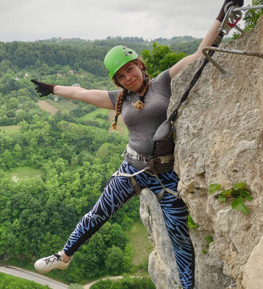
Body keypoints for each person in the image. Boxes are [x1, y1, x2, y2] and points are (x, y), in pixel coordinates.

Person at [30, 1, 243, 288]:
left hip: (167, 175)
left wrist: (221, 16)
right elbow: (81, 93)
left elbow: (199, 55)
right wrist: (53, 88)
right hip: (132, 168)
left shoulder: (164, 82)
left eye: (129, 70)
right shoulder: (120, 99)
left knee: (178, 236)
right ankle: (64, 255)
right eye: (120, 76)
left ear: (140, 65)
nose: (127, 78)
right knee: (99, 211)